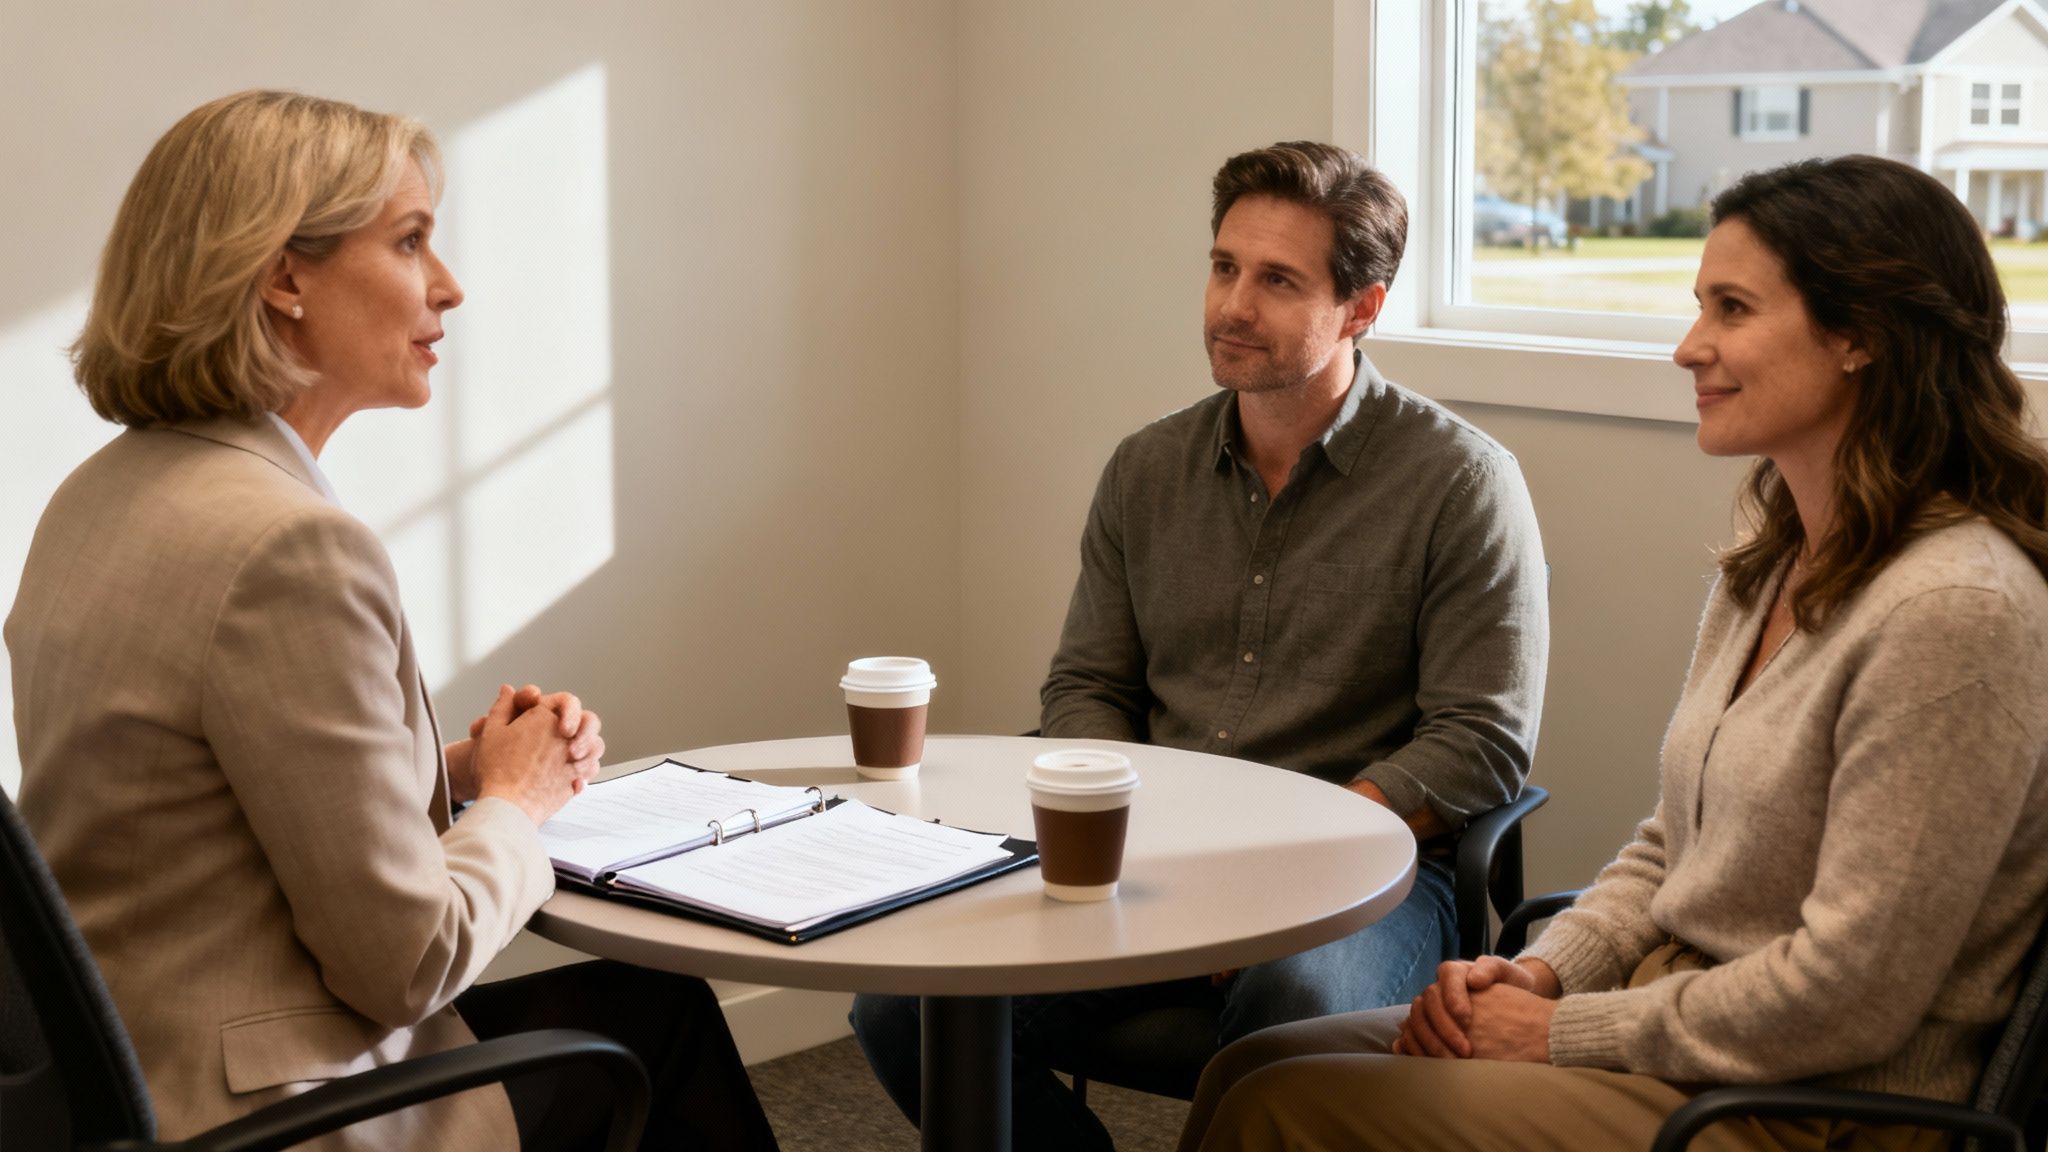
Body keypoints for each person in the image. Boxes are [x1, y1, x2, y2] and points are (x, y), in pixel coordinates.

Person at [1176, 153, 2048, 1152]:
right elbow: (1673, 845)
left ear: (1860, 336)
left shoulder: (1953, 613)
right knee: (1253, 1062)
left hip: (1802, 1107)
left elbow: (1848, 998)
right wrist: (1543, 972)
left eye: (1730, 309)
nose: (1687, 346)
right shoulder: (1771, 565)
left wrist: (1559, 1032)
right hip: (1676, 1031)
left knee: (1279, 1106)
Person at [5, 91, 778, 1152]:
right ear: (283, 276)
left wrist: (451, 774)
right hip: (267, 1110)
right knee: (656, 1029)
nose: (448, 287)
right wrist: (515, 802)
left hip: (128, 1078)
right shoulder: (290, 547)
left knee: (654, 1014)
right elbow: (408, 962)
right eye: (410, 241)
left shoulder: (98, 498)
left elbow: (186, 808)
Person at [849, 141, 1549, 1150]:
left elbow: (1478, 743)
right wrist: (1129, 834)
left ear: (1361, 307)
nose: (1231, 306)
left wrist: (1270, 871)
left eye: (1276, 281)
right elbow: (1088, 685)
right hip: (1149, 858)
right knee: (902, 1007)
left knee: (1290, 1002)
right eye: (1223, 267)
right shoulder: (1145, 470)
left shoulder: (1459, 483)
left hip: (1360, 874)